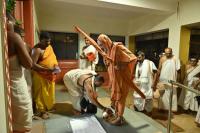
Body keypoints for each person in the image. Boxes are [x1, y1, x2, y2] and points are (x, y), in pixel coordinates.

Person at [75, 26, 145, 125]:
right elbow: (96, 47)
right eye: (100, 45)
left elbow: (133, 58)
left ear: (106, 42)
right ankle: (117, 114)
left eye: (102, 45)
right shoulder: (106, 51)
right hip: (114, 79)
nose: (102, 47)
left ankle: (120, 118)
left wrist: (119, 65)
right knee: (114, 99)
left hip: (121, 79)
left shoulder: (118, 47)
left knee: (120, 99)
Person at [7, 13, 33, 133]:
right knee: (22, 125)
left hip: (9, 85)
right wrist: (21, 44)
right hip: (17, 85)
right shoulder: (13, 36)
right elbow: (29, 64)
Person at [32, 31, 60, 119]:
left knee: (49, 93)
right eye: (45, 41)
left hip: (50, 75)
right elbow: (33, 64)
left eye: (49, 41)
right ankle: (41, 111)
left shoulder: (49, 47)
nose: (48, 43)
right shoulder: (36, 50)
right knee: (41, 95)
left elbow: (53, 58)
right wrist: (47, 69)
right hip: (40, 76)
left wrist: (55, 66)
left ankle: (48, 108)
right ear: (40, 40)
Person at [153, 48, 181, 112]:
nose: (168, 54)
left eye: (169, 53)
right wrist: (156, 80)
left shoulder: (175, 59)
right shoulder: (162, 58)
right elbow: (159, 69)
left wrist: (178, 81)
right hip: (163, 80)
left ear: (172, 52)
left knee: (172, 95)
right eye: (166, 53)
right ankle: (162, 108)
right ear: (165, 53)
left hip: (172, 80)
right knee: (162, 95)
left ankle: (171, 109)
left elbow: (179, 70)